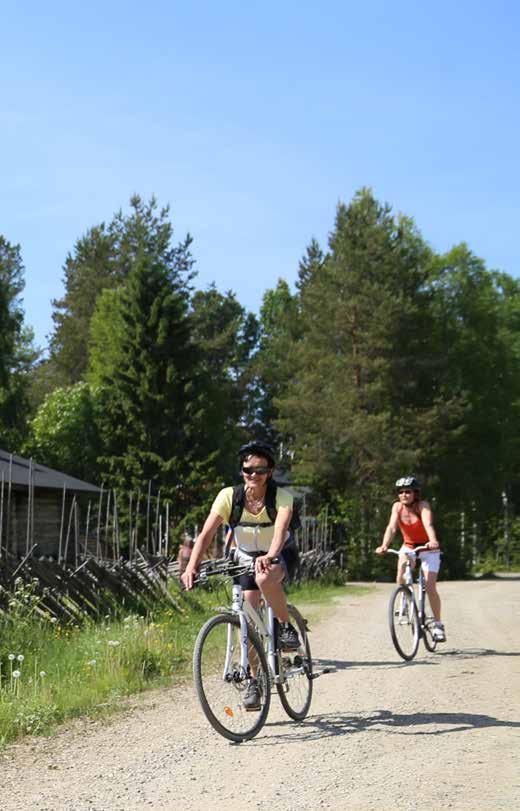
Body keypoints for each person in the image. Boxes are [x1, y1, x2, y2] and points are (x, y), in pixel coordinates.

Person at [181, 440, 301, 709]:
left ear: (269, 471)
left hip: (279, 552)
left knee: (264, 579)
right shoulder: (228, 497)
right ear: (242, 471)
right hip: (245, 555)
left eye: (260, 470)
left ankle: (285, 626)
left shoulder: (281, 497)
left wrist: (269, 556)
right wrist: (192, 566)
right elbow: (206, 534)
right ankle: (254, 681)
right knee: (246, 616)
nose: (253, 475)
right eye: (248, 470)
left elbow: (281, 531)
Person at [376, 476, 446, 642]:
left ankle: (438, 625)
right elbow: (392, 527)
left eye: (408, 492)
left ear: (415, 493)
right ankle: (403, 600)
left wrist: (433, 541)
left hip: (428, 548)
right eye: (401, 492)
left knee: (430, 586)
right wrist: (384, 545)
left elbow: (428, 524)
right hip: (409, 546)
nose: (404, 495)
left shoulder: (423, 506)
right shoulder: (397, 507)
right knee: (401, 569)